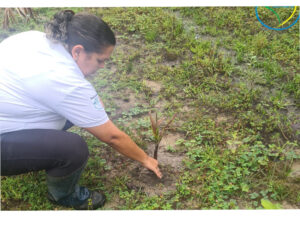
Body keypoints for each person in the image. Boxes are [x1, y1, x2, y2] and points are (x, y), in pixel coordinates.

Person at [0, 10, 162, 210]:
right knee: (73, 149)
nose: (102, 66)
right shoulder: (64, 81)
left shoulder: (34, 39)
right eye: (100, 60)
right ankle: (64, 195)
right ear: (77, 51)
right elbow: (112, 137)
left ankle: (35, 151)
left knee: (78, 115)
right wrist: (145, 159)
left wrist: (89, 102)